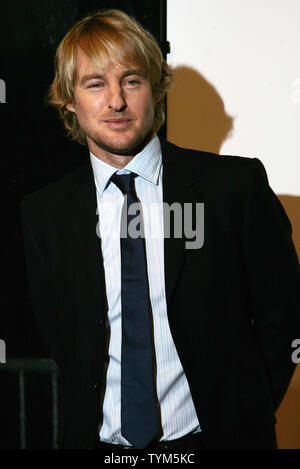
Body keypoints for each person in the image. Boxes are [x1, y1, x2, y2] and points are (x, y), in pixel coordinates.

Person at [20, 9, 300, 450]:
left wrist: (248, 412)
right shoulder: (45, 214)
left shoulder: (232, 188)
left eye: (131, 81)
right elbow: (65, 341)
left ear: (155, 89)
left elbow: (284, 317)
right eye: (96, 84)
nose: (116, 101)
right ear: (69, 100)